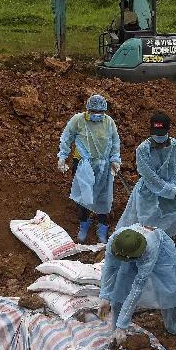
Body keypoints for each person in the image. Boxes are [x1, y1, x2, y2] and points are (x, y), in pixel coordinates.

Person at [117, 112, 176, 238]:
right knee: (147, 226)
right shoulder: (143, 149)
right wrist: (172, 191)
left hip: (172, 188)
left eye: (162, 133)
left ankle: (163, 245)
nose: (159, 137)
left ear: (168, 130)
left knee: (168, 226)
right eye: (156, 133)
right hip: (149, 193)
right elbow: (150, 177)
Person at [101, 225, 176, 338]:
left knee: (168, 291)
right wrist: (105, 297)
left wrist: (123, 324)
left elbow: (137, 287)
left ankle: (172, 326)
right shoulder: (115, 241)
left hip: (162, 254)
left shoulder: (149, 249)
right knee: (120, 289)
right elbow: (110, 268)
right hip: (131, 250)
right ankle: (116, 332)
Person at [58, 94, 122, 243]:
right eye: (94, 112)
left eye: (100, 113)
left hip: (103, 165)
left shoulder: (109, 122)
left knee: (103, 195)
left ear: (105, 112)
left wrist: (115, 160)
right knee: (83, 195)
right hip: (82, 163)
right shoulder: (78, 120)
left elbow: (115, 142)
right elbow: (67, 137)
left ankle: (102, 226)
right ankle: (84, 224)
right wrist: (63, 156)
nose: (97, 115)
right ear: (88, 110)